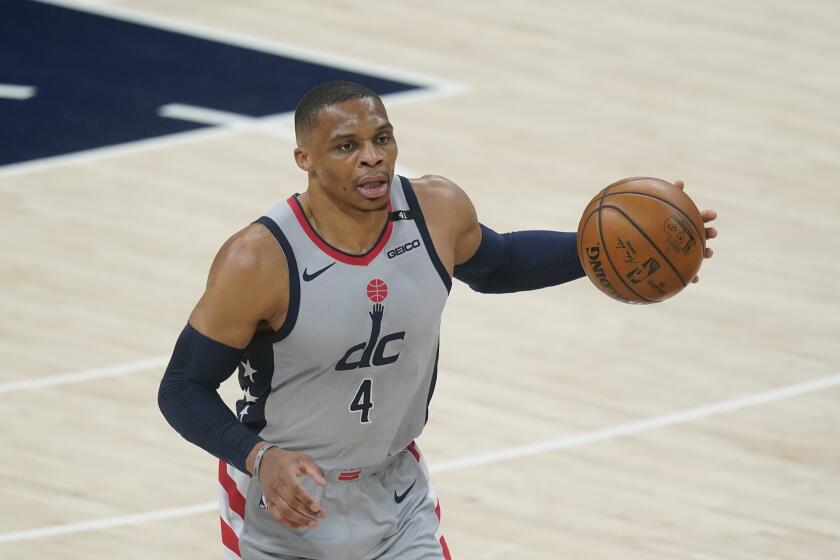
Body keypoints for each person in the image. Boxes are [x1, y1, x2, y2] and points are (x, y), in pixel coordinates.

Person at [158, 81, 718, 560]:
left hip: (394, 493)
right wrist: (260, 458)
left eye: (382, 138)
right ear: (304, 159)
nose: (372, 157)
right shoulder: (259, 260)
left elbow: (500, 263)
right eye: (346, 146)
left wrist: (614, 248)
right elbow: (182, 388)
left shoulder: (436, 210)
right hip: (285, 504)